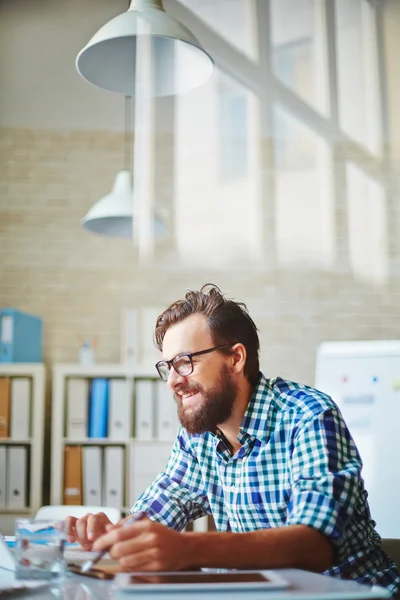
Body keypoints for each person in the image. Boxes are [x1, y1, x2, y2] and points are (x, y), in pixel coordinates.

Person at [66, 284, 399, 595]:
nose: (172, 382)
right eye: (167, 367)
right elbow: (155, 515)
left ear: (236, 358)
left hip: (351, 594)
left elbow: (314, 546)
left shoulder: (308, 415)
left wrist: (187, 548)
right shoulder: (199, 437)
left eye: (184, 363)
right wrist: (111, 535)